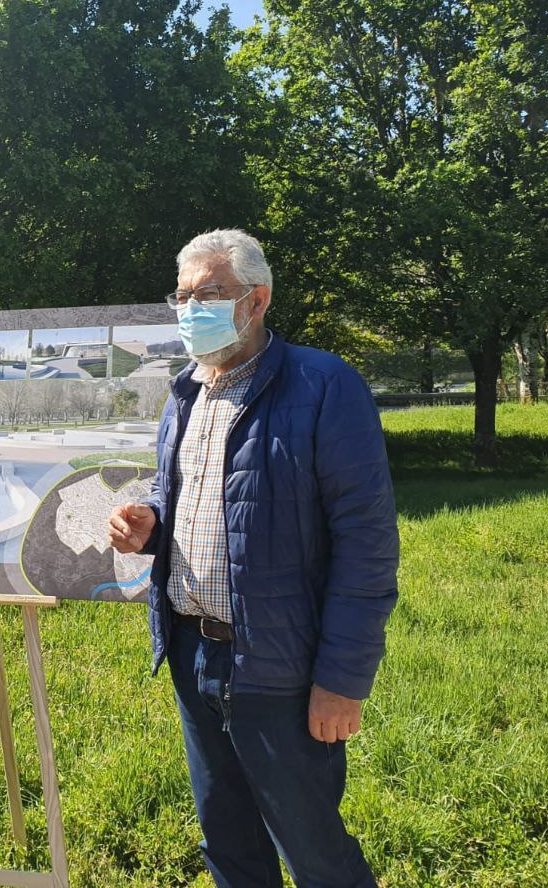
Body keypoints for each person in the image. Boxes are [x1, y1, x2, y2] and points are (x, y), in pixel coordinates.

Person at [108, 229, 399, 888]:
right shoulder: (185, 390)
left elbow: (366, 542)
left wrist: (344, 679)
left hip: (281, 670)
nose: (190, 309)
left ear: (257, 299)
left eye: (209, 293)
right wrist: (149, 526)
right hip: (192, 655)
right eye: (182, 296)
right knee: (230, 846)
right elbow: (190, 501)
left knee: (316, 853)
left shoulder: (323, 385)